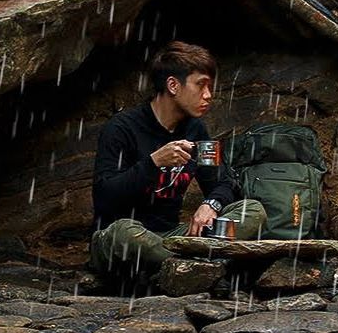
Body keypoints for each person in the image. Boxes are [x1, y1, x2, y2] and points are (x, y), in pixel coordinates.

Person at [89, 41, 266, 280]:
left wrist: (210, 205)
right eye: (201, 85)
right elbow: (104, 197)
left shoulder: (196, 132)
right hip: (125, 238)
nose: (208, 96)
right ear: (173, 85)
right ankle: (197, 266)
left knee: (252, 211)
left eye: (210, 87)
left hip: (174, 237)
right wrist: (153, 163)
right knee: (124, 233)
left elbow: (223, 183)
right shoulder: (121, 128)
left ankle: (182, 267)